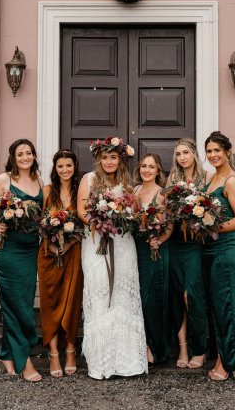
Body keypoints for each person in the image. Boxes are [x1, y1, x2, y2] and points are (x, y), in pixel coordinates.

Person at [77, 137, 148, 380]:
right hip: (98, 241)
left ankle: (127, 360)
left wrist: (123, 217)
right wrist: (101, 222)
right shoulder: (89, 180)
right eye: (105, 157)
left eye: (114, 157)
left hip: (123, 243)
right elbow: (81, 210)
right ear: (99, 158)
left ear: (120, 160)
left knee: (121, 294)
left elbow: (135, 211)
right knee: (100, 293)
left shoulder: (128, 184)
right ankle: (101, 362)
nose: (109, 161)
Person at [0, 139, 43, 382]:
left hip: (30, 250)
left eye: (29, 153)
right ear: (13, 157)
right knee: (15, 305)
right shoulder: (4, 179)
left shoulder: (39, 181)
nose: (26, 157)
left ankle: (6, 354)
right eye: (21, 154)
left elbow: (41, 215)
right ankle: (24, 360)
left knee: (23, 303)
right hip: (8, 251)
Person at [203, 131, 235, 381]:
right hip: (208, 250)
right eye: (209, 151)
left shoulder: (231, 181)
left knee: (226, 307)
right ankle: (221, 354)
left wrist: (212, 227)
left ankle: (227, 362)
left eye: (217, 150)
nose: (213, 155)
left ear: (227, 152)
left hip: (225, 251)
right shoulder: (211, 178)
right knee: (215, 307)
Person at [38, 149, 83, 378]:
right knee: (50, 301)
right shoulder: (47, 191)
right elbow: (37, 223)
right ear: (55, 169)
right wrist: (52, 242)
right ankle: (54, 352)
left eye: (69, 166)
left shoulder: (80, 192)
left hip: (73, 252)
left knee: (71, 301)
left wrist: (70, 241)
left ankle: (71, 349)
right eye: (60, 166)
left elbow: (84, 223)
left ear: (75, 167)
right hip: (49, 254)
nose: (65, 170)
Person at [167, 138, 210, 369]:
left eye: (185, 152)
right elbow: (166, 210)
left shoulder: (207, 179)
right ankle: (182, 346)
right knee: (176, 297)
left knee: (190, 296)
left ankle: (199, 348)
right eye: (178, 154)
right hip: (175, 243)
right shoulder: (173, 179)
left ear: (194, 154)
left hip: (195, 245)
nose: (182, 157)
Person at [134, 153, 173, 365]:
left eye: (151, 167)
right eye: (143, 166)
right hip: (137, 249)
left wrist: (159, 240)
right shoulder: (135, 191)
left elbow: (169, 226)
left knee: (153, 299)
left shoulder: (161, 194)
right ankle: (143, 344)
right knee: (138, 298)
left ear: (158, 170)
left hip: (154, 249)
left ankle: (157, 348)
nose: (147, 170)